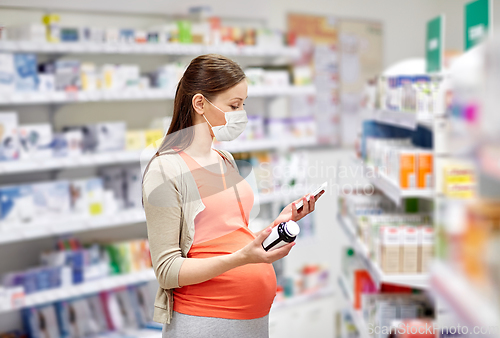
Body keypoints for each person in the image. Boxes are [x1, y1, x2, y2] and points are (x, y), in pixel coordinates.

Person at [142, 54, 317, 338]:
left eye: (243, 105)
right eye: (234, 105)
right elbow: (167, 270)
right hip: (205, 322)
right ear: (200, 103)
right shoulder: (166, 169)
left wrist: (277, 225)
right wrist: (240, 259)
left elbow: (230, 235)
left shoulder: (224, 158)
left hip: (253, 322)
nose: (241, 114)